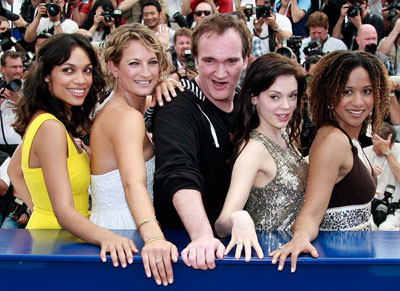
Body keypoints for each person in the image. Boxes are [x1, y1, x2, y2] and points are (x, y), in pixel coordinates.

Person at [9, 33, 137, 268]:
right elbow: (64, 212)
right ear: (47, 75)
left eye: (87, 70)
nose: (81, 80)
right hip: (56, 247)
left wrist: (41, 208)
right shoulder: (50, 128)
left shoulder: (45, 120)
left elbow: (13, 170)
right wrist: (108, 237)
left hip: (56, 239)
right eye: (68, 70)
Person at [269, 50, 390, 273]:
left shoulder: (348, 136)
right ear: (329, 94)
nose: (358, 101)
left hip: (359, 259)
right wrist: (300, 238)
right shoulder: (333, 141)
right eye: (347, 92)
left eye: (367, 91)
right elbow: (311, 213)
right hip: (341, 265)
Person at [152, 14, 251, 270]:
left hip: (243, 249)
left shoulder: (249, 105)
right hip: (189, 253)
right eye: (209, 61)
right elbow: (178, 170)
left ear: (246, 60)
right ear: (195, 60)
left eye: (231, 61)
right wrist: (202, 236)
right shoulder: (176, 103)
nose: (220, 72)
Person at [89, 23, 178, 286]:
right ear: (114, 67)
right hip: (126, 237)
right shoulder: (127, 117)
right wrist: (153, 236)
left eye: (152, 62)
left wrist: (163, 82)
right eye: (134, 64)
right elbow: (133, 183)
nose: (146, 72)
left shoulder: (115, 106)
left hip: (115, 229)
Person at [214, 53, 308, 261]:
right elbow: (221, 224)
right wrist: (239, 217)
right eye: (275, 97)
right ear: (254, 97)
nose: (286, 106)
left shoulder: (286, 135)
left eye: (292, 95)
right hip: (267, 261)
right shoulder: (254, 149)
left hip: (292, 257)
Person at [364, 123, 400, 202]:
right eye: (375, 145)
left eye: (380, 148)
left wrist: (387, 152)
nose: (376, 150)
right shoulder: (364, 152)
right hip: (369, 203)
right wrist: (367, 171)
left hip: (394, 206)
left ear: (392, 143)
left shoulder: (398, 150)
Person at [0, 51, 23, 157]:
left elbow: (36, 113)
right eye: (14, 67)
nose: (18, 71)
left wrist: (17, 100)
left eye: (20, 66)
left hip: (21, 146)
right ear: (2, 68)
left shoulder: (31, 88)